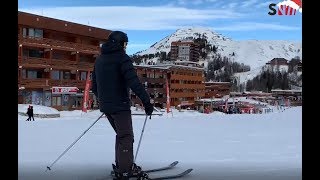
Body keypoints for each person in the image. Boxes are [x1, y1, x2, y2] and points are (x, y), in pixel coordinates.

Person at [92, 30, 154, 180]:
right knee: (126, 136)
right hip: (120, 106)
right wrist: (147, 101)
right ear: (119, 43)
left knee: (121, 135)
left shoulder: (100, 60)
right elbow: (134, 82)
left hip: (107, 106)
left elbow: (94, 86)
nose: (125, 46)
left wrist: (105, 100)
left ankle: (122, 165)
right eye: (125, 43)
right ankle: (125, 170)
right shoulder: (122, 58)